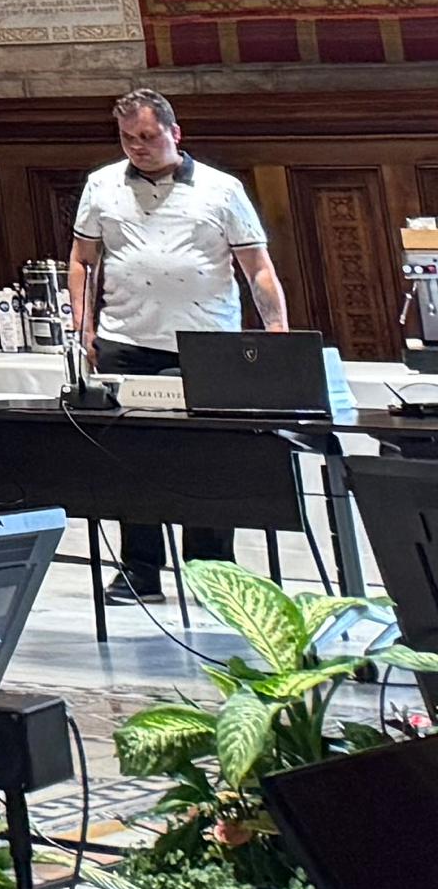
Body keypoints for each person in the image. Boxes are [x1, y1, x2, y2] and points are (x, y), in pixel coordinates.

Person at [70, 86, 288, 600]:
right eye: (127, 138)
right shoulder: (101, 185)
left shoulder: (221, 189)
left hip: (205, 342)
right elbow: (82, 259)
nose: (137, 147)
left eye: (147, 136)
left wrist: (276, 331)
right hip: (126, 340)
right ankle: (140, 570)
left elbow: (257, 267)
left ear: (175, 132)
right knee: (132, 459)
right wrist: (83, 327)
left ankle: (212, 574)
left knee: (207, 459)